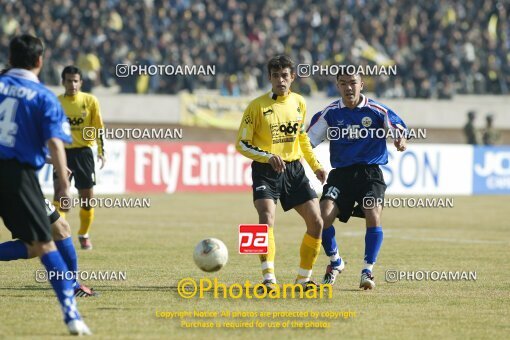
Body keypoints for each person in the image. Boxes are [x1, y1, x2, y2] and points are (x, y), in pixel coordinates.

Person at [0, 34, 91, 335]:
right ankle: (71, 313)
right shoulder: (42, 97)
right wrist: (63, 185)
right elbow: (54, 141)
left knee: (45, 238)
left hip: (14, 171)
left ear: (10, 58)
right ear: (40, 61)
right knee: (47, 242)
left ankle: (74, 283)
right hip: (16, 177)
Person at [307, 71, 408, 290]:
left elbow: (397, 126)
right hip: (341, 175)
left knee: (372, 213)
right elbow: (307, 140)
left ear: (362, 84)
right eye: (343, 83)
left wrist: (399, 138)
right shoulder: (331, 113)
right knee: (322, 218)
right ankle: (336, 262)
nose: (348, 87)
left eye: (353, 82)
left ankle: (367, 271)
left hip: (369, 173)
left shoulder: (376, 110)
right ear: (337, 86)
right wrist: (307, 162)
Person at [235, 55, 327, 290]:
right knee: (265, 219)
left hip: (294, 170)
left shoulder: (299, 102)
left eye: (284, 75)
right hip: (266, 170)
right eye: (275, 76)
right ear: (269, 78)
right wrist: (267, 156)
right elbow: (241, 143)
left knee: (316, 221)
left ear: (292, 77)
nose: (280, 80)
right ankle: (268, 279)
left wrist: (315, 165)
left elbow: (302, 137)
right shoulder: (256, 106)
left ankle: (303, 280)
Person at [53, 65, 105, 250]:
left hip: (83, 153)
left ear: (81, 82)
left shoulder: (90, 101)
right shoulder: (56, 102)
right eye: (69, 81)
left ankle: (83, 234)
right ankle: (61, 238)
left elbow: (98, 127)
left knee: (87, 200)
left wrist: (101, 151)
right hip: (62, 153)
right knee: (61, 198)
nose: (72, 84)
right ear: (63, 82)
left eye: (76, 81)